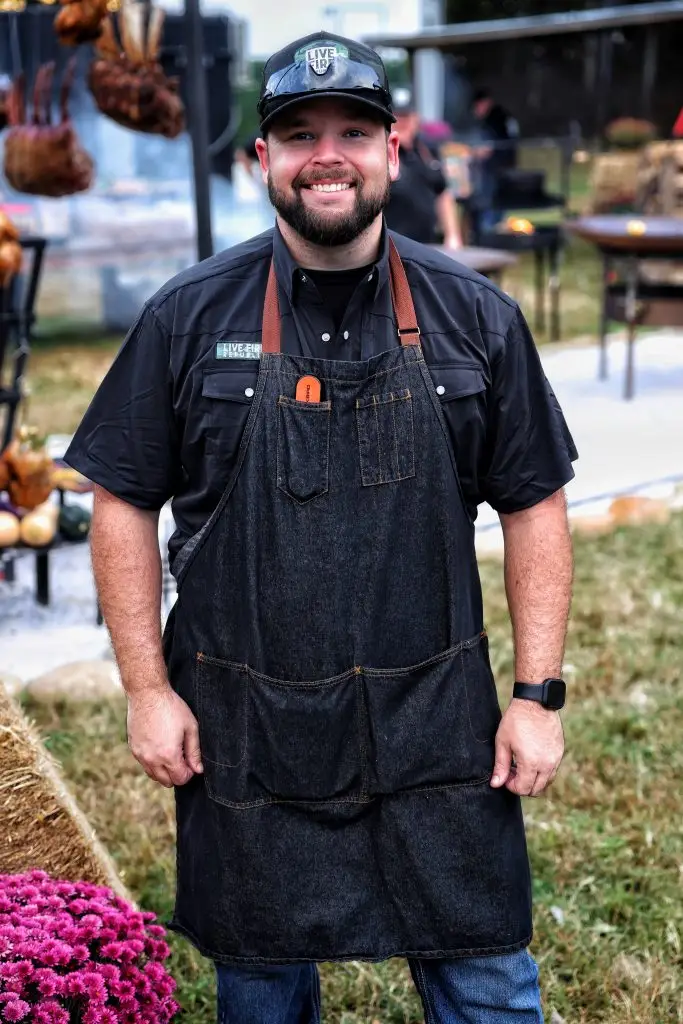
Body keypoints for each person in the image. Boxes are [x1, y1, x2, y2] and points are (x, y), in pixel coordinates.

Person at [65, 31, 577, 1024]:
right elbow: (120, 496)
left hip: (438, 727)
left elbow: (533, 502)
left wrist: (536, 694)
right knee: (260, 992)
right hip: (246, 733)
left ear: (393, 150)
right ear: (261, 159)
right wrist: (143, 686)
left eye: (352, 129)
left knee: (487, 989)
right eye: (298, 134)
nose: (325, 154)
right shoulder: (185, 316)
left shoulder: (474, 317)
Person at [383, 87, 462, 248]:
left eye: (407, 116)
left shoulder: (427, 150)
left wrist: (452, 235)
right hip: (392, 246)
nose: (402, 122)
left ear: (416, 118)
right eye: (397, 117)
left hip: (428, 245)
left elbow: (443, 193)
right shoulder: (381, 152)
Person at [469, 86, 519, 237]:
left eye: (477, 106)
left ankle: (488, 231)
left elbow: (492, 145)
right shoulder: (501, 116)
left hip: (497, 165)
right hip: (504, 164)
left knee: (489, 198)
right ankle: (492, 228)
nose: (476, 111)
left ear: (484, 103)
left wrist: (482, 151)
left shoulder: (495, 118)